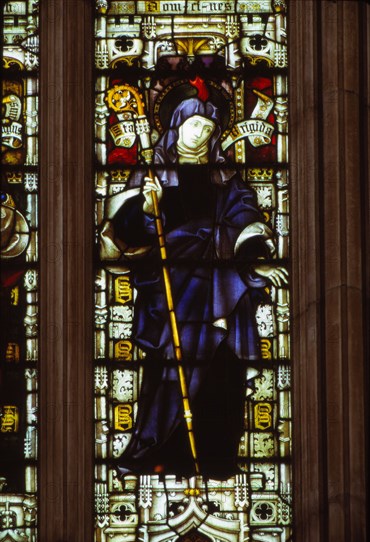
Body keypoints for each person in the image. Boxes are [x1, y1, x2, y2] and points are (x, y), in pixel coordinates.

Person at [104, 82, 288, 479]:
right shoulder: (152, 174)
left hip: (222, 291)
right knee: (171, 370)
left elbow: (247, 219)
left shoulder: (226, 179)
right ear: (175, 128)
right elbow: (126, 234)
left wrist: (255, 262)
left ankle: (216, 457)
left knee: (222, 369)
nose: (202, 134)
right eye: (194, 126)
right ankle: (159, 451)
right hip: (174, 291)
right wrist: (148, 210)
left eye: (209, 128)